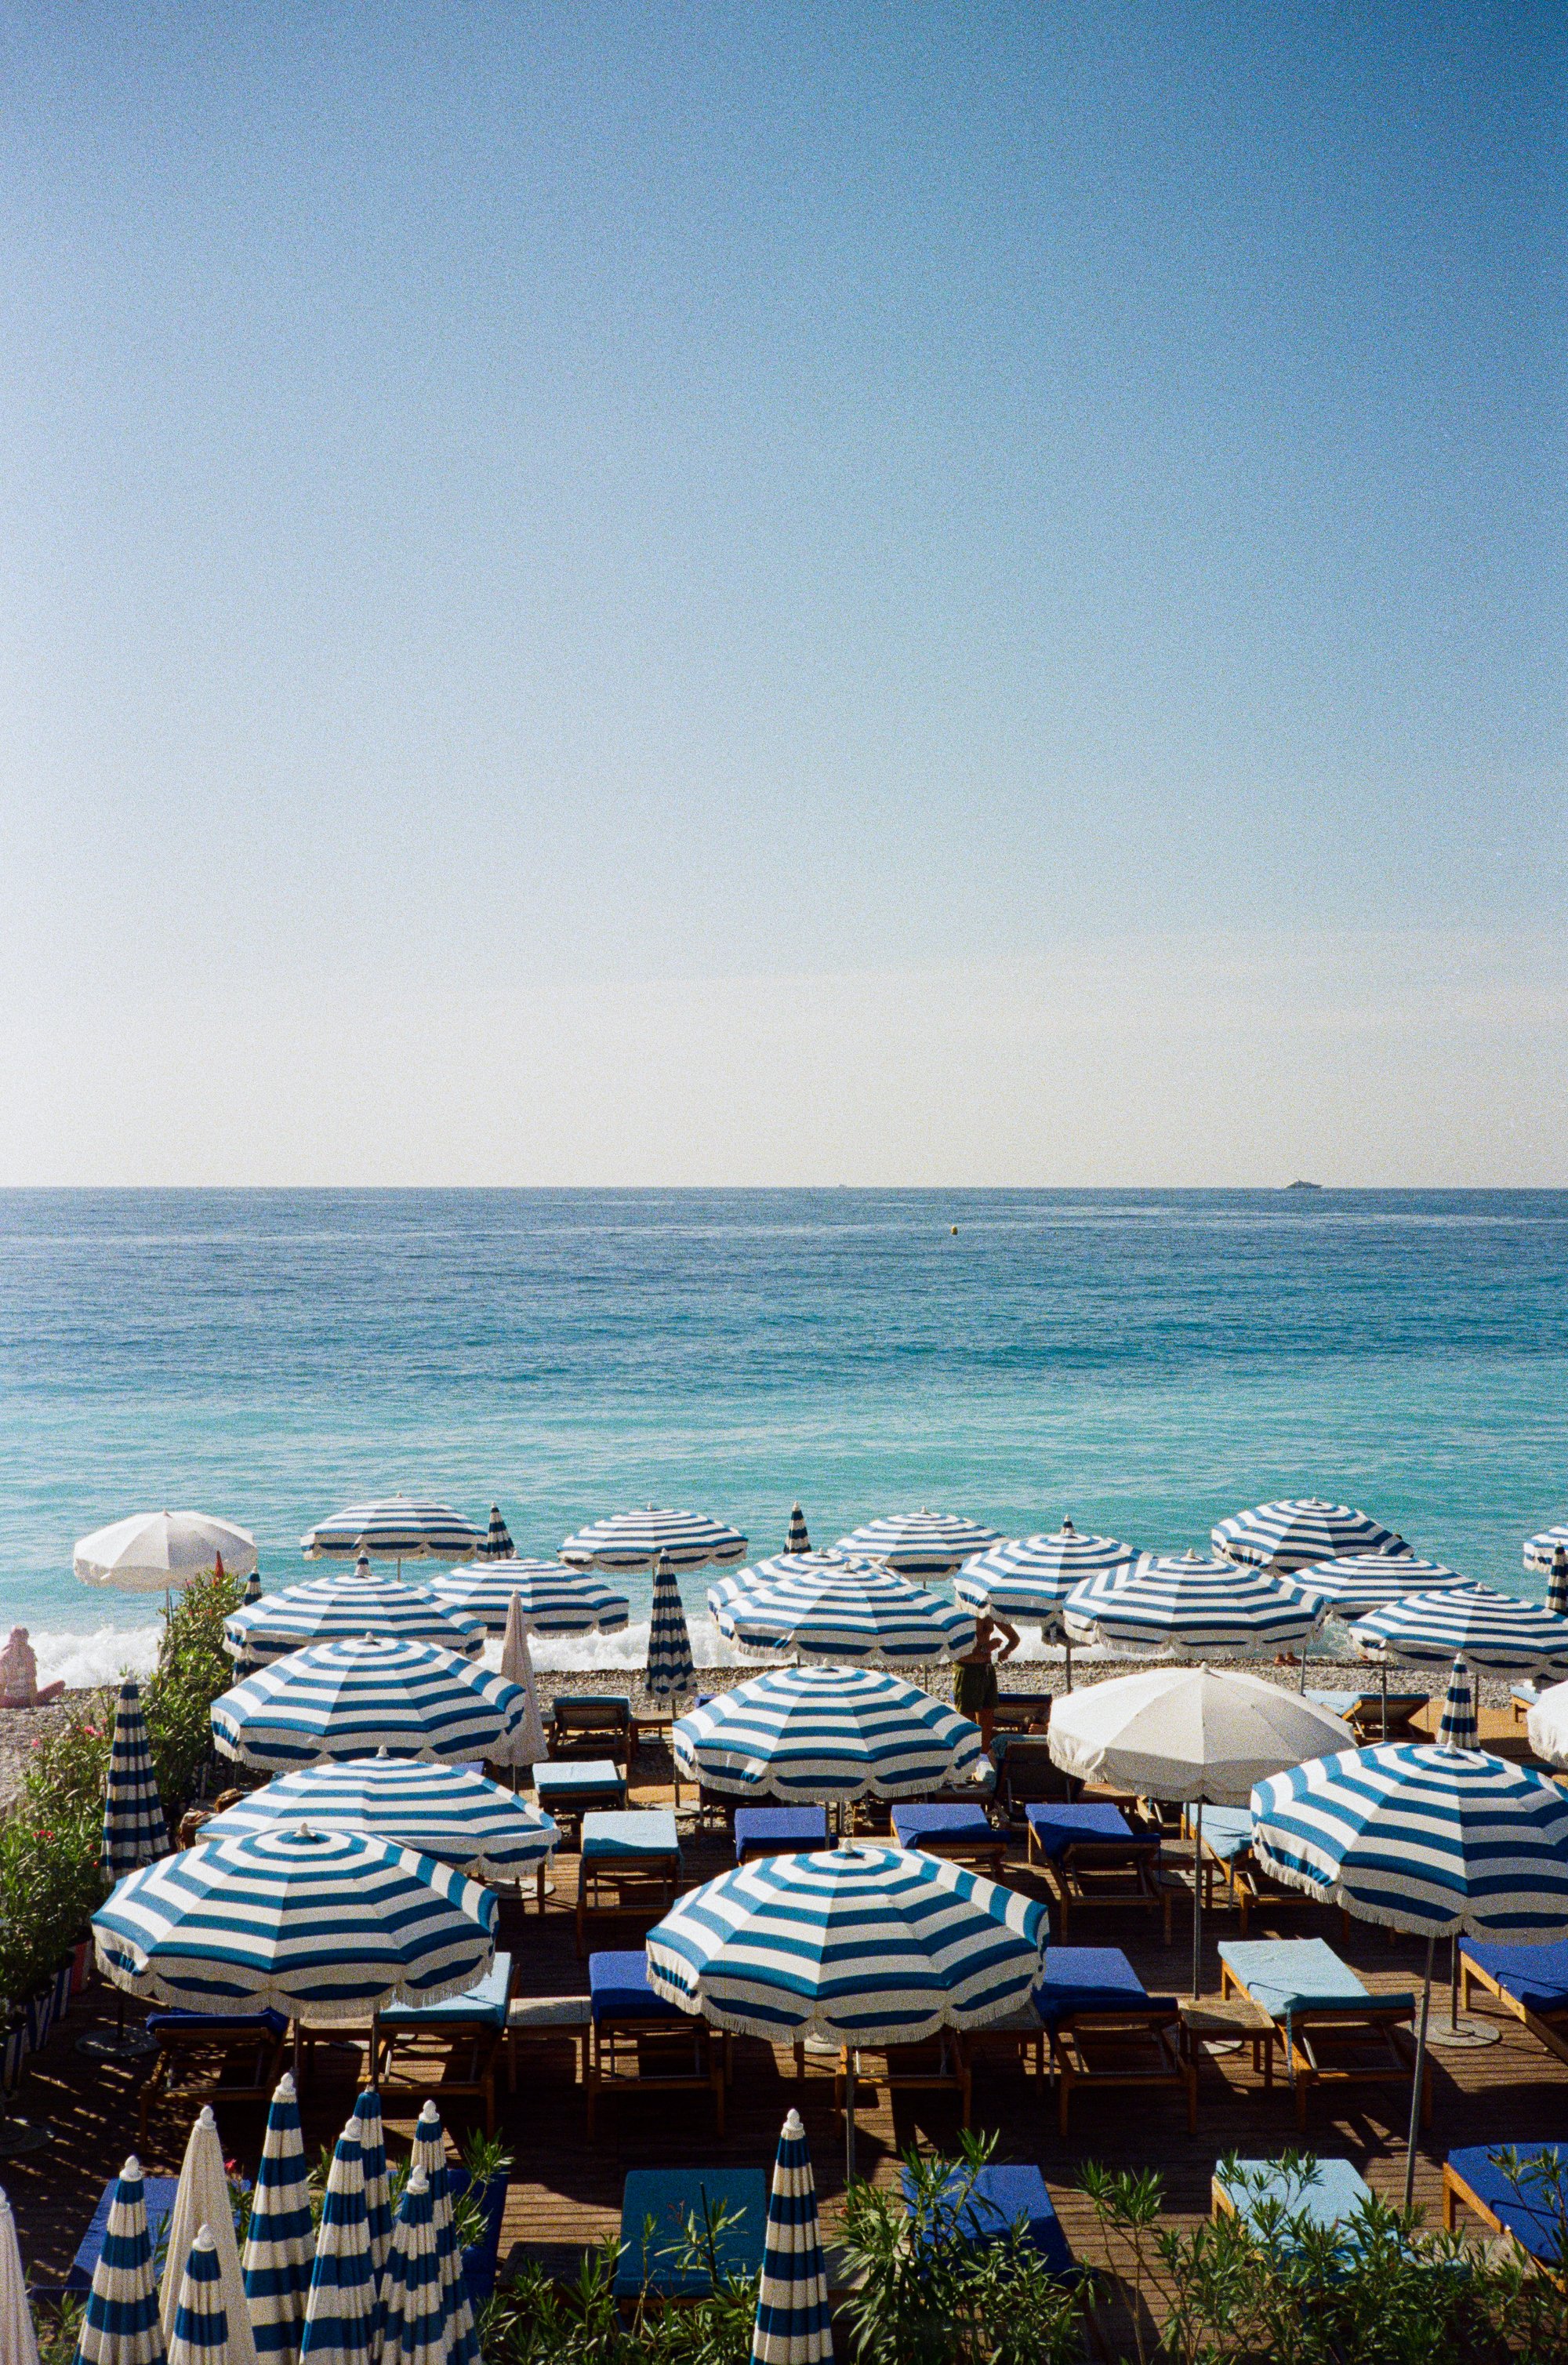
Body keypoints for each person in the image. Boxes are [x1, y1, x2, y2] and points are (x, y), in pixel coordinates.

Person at [953, 1606, 1021, 1751]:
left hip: (987, 1668)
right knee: (966, 1719)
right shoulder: (963, 1613)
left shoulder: (991, 1612)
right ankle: (964, 1757)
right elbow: (956, 1648)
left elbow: (1015, 1638)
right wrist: (984, 1648)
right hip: (967, 1669)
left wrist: (1006, 1650)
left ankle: (982, 1756)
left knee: (987, 1718)